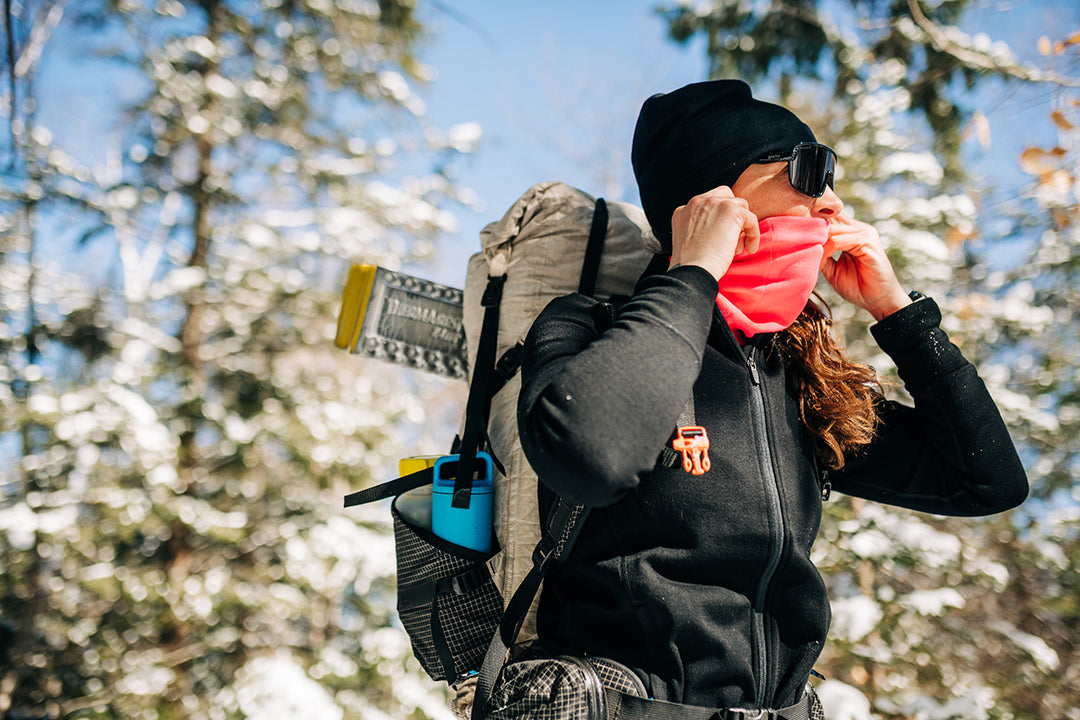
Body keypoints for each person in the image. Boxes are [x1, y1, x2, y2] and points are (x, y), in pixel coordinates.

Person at [508, 80, 1029, 716]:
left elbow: (986, 482)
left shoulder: (800, 378)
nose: (831, 200)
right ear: (711, 197)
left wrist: (898, 314)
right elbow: (592, 455)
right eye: (809, 170)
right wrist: (694, 273)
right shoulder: (587, 328)